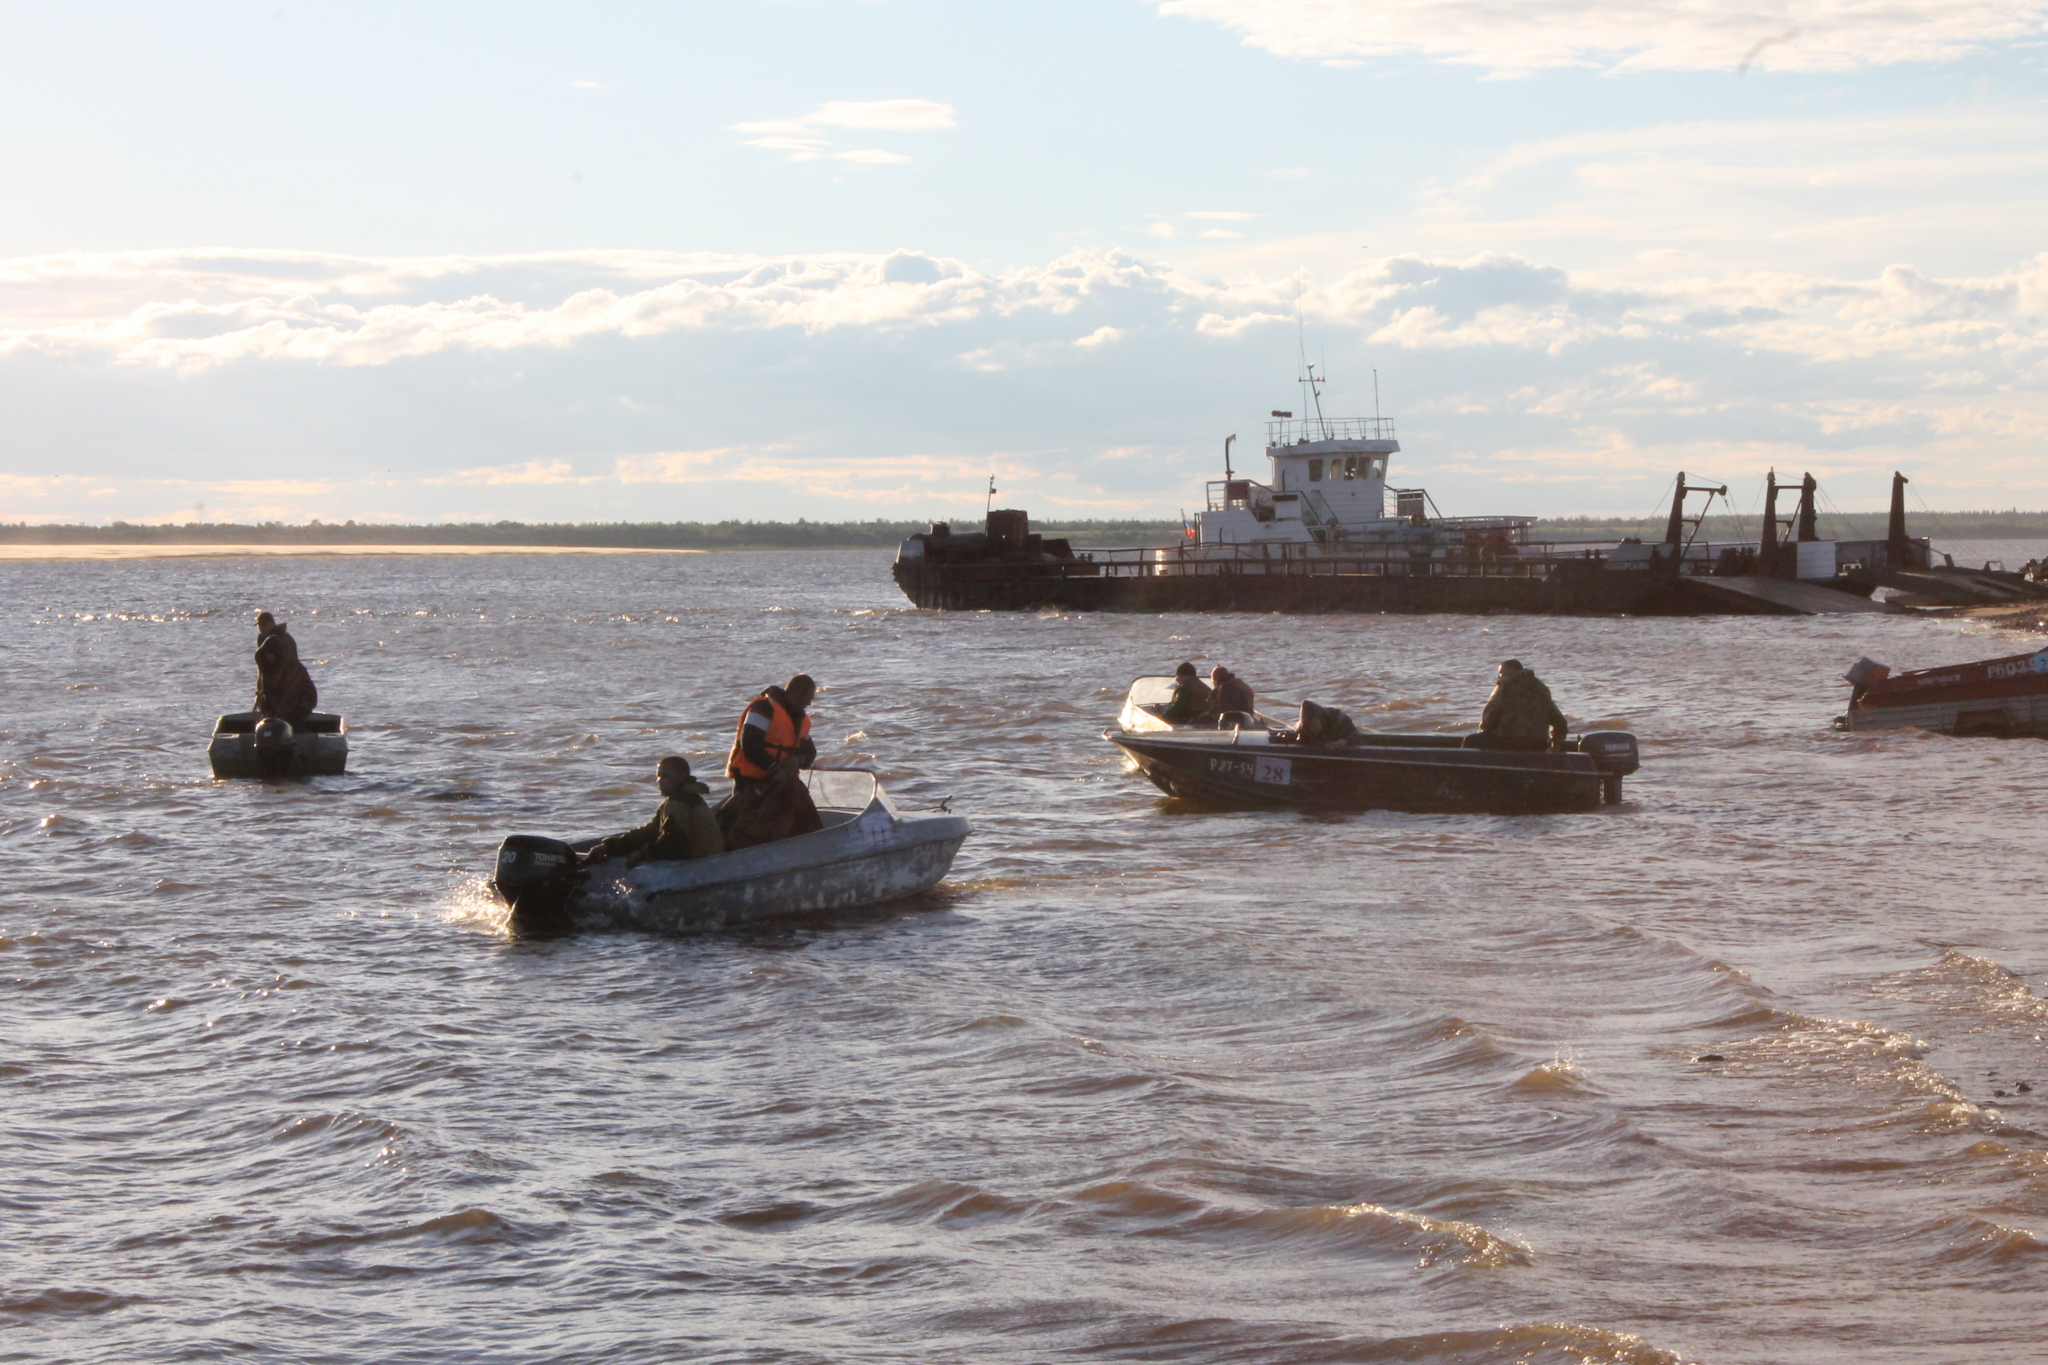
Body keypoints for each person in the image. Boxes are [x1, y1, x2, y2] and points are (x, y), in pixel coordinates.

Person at [721, 674, 824, 849]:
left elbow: (810, 751)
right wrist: (775, 768)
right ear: (795, 694)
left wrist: (798, 759)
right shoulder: (764, 708)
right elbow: (750, 743)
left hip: (780, 784)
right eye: (807, 699)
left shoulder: (801, 720)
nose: (809, 704)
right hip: (750, 781)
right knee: (744, 827)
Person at [587, 756, 724, 865]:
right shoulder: (689, 798)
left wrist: (643, 854)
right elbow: (652, 831)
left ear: (681, 776)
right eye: (658, 776)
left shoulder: (678, 803)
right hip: (710, 863)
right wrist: (611, 846)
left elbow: (673, 844)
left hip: (698, 865)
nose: (659, 781)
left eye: (666, 776)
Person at [1463, 659, 1568, 752]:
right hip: (1538, 745)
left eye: (1500, 674)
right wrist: (1555, 745)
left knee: (1470, 741)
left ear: (1509, 673)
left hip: (1509, 743)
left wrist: (1485, 732)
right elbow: (1561, 724)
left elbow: (1488, 716)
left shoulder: (1505, 686)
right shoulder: (1541, 689)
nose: (1499, 677)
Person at [253, 611, 318, 723]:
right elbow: (263, 675)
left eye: (264, 624)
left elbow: (290, 687)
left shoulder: (285, 643)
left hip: (298, 696)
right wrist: (261, 696)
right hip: (280, 687)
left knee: (289, 717)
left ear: (272, 623)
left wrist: (280, 713)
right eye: (259, 625)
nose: (262, 628)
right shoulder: (263, 645)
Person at [1296, 698, 1361, 746]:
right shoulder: (1303, 727)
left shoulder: (1338, 718)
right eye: (1308, 725)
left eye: (1313, 724)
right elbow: (1299, 742)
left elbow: (1357, 736)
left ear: (1320, 719)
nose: (1311, 728)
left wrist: (1341, 742)